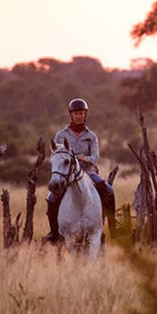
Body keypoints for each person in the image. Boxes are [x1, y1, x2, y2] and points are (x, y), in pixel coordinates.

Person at [45, 98, 118, 243]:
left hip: (88, 172)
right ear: (71, 115)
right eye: (76, 113)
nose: (79, 116)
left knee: (109, 190)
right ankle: (54, 232)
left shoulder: (91, 136)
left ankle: (113, 227)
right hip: (67, 174)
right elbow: (56, 155)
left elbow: (95, 156)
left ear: (85, 115)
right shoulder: (61, 135)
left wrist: (85, 158)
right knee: (52, 198)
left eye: (81, 113)